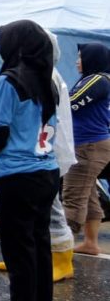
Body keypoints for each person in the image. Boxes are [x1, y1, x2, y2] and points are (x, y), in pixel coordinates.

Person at [0, 20, 60, 300]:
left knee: (19, 255)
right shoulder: (48, 81)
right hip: (47, 172)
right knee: (40, 246)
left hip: (18, 175)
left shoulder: (10, 80)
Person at [0, 29, 77, 282]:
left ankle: (61, 260)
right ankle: (33, 264)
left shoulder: (17, 79)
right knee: (38, 231)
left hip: (27, 163)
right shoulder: (45, 76)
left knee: (46, 218)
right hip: (45, 160)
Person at [62, 42, 110, 256]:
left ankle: (61, 250)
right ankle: (90, 243)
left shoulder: (97, 80)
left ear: (92, 59)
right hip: (92, 144)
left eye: (80, 57)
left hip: (88, 146)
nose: (77, 61)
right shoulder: (100, 80)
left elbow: (69, 103)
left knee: (73, 196)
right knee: (88, 194)